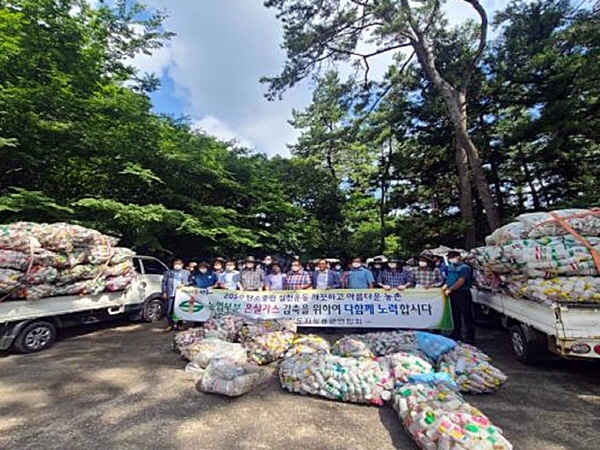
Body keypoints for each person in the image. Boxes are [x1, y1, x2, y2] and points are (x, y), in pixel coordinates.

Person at [443, 251, 475, 345]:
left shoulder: (465, 268)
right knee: (455, 314)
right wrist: (445, 287)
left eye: (453, 257)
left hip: (462, 293)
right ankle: (456, 334)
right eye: (450, 257)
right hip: (452, 293)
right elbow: (449, 279)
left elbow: (461, 282)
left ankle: (470, 337)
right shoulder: (451, 267)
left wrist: (450, 289)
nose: (451, 259)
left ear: (459, 257)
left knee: (466, 315)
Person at [161, 258, 193, 332]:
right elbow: (164, 283)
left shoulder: (186, 273)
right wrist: (164, 292)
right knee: (169, 310)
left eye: (179, 264)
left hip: (182, 295)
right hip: (170, 294)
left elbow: (191, 282)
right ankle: (170, 324)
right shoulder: (168, 273)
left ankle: (179, 324)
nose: (177, 265)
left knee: (180, 309)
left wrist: (184, 284)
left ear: (182, 265)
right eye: (175, 263)